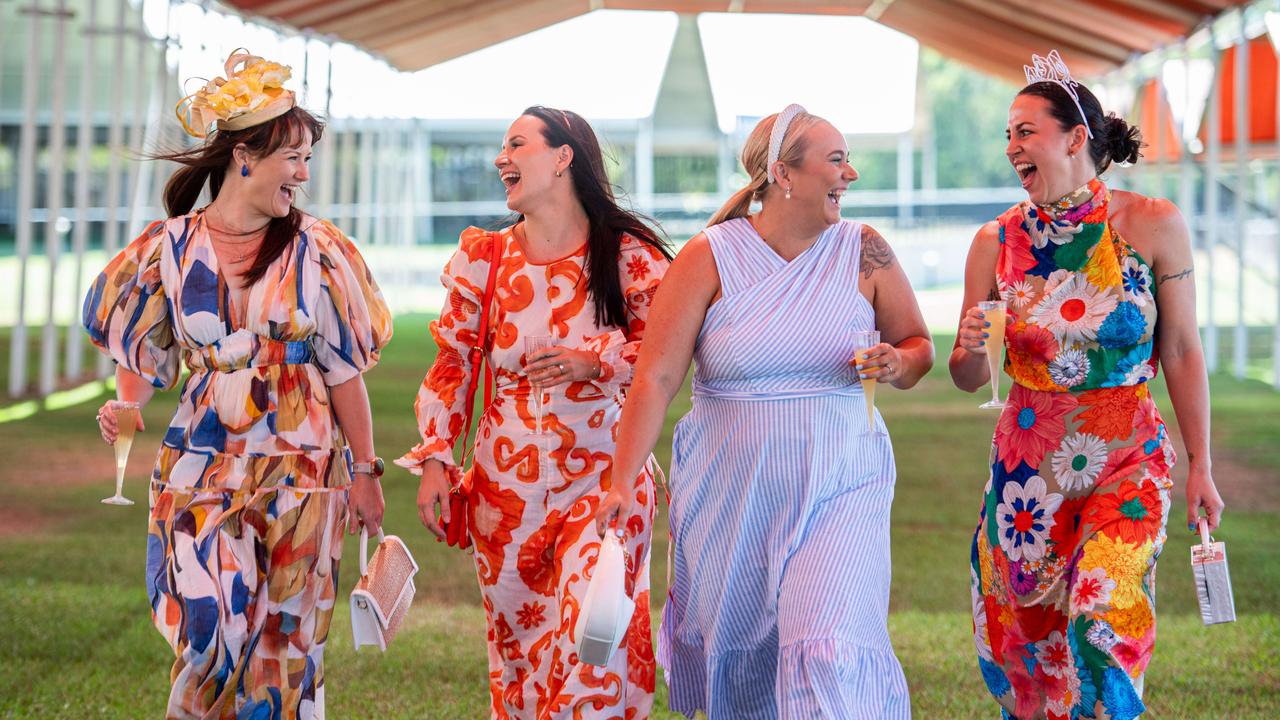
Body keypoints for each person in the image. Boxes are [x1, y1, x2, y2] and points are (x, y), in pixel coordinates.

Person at [596, 104, 930, 718]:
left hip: (843, 478)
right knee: (748, 658)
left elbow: (917, 344)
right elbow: (657, 376)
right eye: (836, 160)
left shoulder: (865, 250)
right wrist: (622, 478)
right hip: (731, 488)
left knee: (829, 646)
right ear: (784, 174)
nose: (850, 174)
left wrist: (897, 363)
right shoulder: (708, 256)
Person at [86, 51, 391, 718]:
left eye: (308, 157)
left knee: (287, 644)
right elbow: (143, 355)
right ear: (245, 155)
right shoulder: (166, 247)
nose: (304, 173)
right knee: (209, 634)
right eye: (294, 157)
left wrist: (366, 470)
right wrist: (127, 408)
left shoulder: (320, 250)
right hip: (200, 467)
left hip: (304, 471)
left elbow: (344, 373)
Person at [951, 51, 1225, 720]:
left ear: (1075, 138)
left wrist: (1201, 465)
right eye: (1008, 134)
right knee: (1031, 642)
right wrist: (964, 349)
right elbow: (966, 376)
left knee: (1104, 613)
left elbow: (1183, 349)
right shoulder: (994, 241)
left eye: (1025, 130)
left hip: (1129, 452)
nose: (1011, 146)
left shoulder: (1154, 223)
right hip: (1027, 468)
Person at [396, 106, 672, 718]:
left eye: (516, 144)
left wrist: (594, 360)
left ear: (562, 157)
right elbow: (453, 364)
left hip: (605, 479)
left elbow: (669, 350)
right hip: (504, 497)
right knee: (519, 659)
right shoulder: (484, 258)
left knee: (592, 647)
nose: (502, 159)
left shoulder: (628, 253)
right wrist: (438, 461)